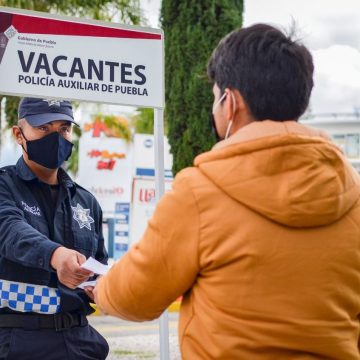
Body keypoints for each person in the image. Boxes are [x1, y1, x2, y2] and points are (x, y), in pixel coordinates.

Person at [95, 23, 360, 359]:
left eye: (214, 97)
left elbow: (134, 297)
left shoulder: (199, 192)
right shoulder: (353, 194)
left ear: (230, 102)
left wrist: (99, 287)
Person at [0, 97, 109, 360]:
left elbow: (99, 264)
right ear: (19, 133)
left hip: (80, 341)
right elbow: (10, 229)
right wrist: (56, 255)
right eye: (44, 128)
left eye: (63, 129)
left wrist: (104, 287)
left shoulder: (86, 202)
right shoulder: (5, 186)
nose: (56, 138)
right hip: (19, 341)